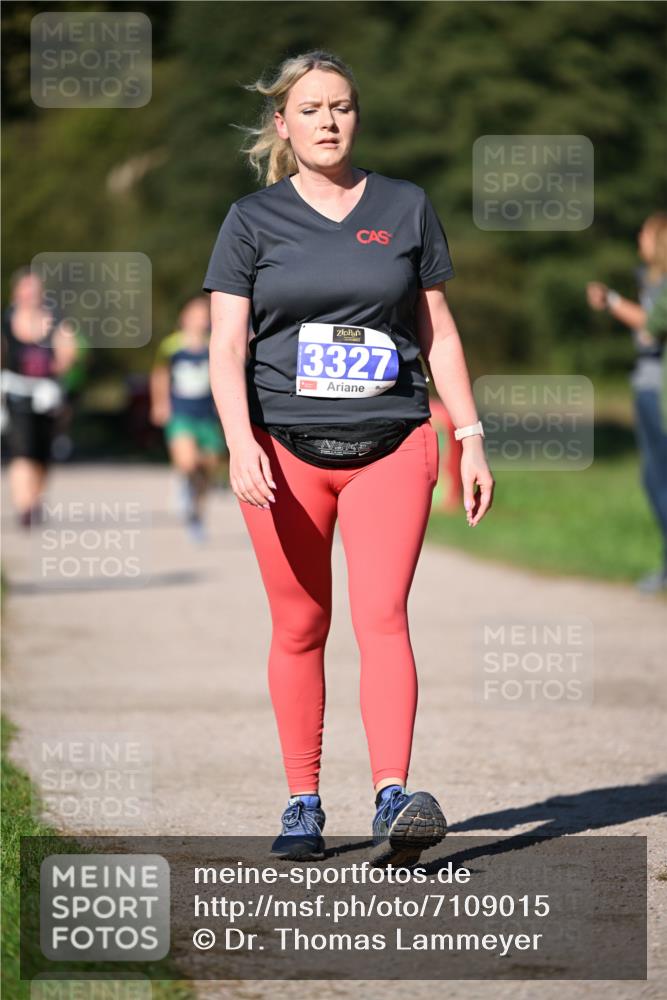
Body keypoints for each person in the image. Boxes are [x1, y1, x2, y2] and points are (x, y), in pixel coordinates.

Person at [202, 51, 494, 865]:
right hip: (282, 452)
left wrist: (467, 435)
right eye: (312, 109)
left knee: (382, 617)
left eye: (342, 107)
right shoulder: (251, 220)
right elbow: (226, 346)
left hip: (393, 442)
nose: (329, 121)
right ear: (282, 123)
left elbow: (437, 330)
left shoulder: (405, 206)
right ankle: (302, 802)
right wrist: (236, 443)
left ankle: (394, 796)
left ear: (355, 117)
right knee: (300, 625)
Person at [587, 212, 667, 594]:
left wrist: (612, 301)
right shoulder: (653, 281)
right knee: (653, 478)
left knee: (658, 479)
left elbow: (651, 325)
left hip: (659, 392)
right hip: (648, 386)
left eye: (645, 234)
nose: (639, 238)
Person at [1, 268, 78, 528]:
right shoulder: (7, 320)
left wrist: (63, 361)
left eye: (35, 290)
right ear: (17, 293)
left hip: (48, 394)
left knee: (42, 453)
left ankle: (35, 498)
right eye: (26, 289)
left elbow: (69, 349)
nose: (31, 295)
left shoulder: (56, 318)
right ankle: (24, 506)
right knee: (21, 449)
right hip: (16, 391)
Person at [149, 296, 227, 542]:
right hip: (181, 414)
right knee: (187, 462)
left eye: (204, 316)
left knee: (209, 467)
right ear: (184, 318)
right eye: (195, 315)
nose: (199, 320)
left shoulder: (213, 345)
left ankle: (196, 514)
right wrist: (160, 403)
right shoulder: (172, 346)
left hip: (206, 416)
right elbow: (160, 376)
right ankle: (183, 485)